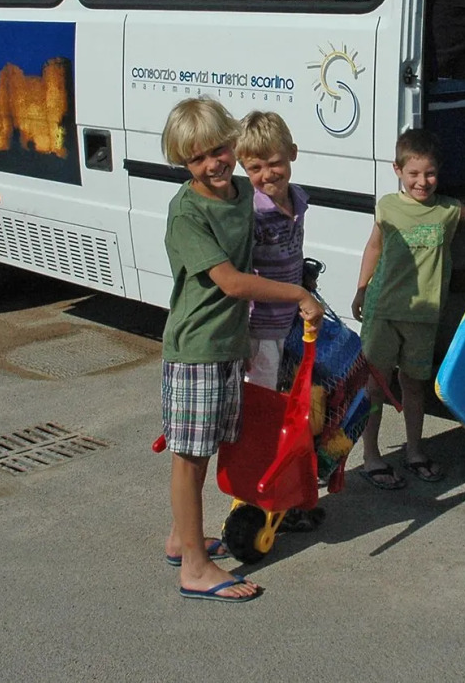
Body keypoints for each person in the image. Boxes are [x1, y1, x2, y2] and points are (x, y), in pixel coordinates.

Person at [158, 96, 324, 602]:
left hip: (229, 343)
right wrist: (298, 293)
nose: (213, 163)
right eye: (198, 157)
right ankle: (194, 566)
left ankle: (179, 538)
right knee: (190, 456)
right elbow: (230, 282)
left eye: (219, 149)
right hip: (197, 347)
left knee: (206, 451)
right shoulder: (188, 210)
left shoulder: (235, 194)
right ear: (182, 162)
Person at [351, 128, 465, 489]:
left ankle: (414, 451)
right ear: (398, 171)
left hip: (424, 316)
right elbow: (374, 248)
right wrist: (361, 289)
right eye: (414, 174)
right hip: (384, 311)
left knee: (413, 386)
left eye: (430, 173)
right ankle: (371, 455)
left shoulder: (448, 210)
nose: (422, 182)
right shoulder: (388, 207)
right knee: (376, 386)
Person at [235, 109, 326, 532]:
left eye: (275, 162)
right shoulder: (250, 212)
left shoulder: (299, 199)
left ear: (293, 153)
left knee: (291, 408)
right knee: (265, 412)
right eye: (255, 167)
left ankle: (283, 489)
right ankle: (257, 499)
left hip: (289, 321)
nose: (267, 174)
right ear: (243, 168)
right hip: (259, 328)